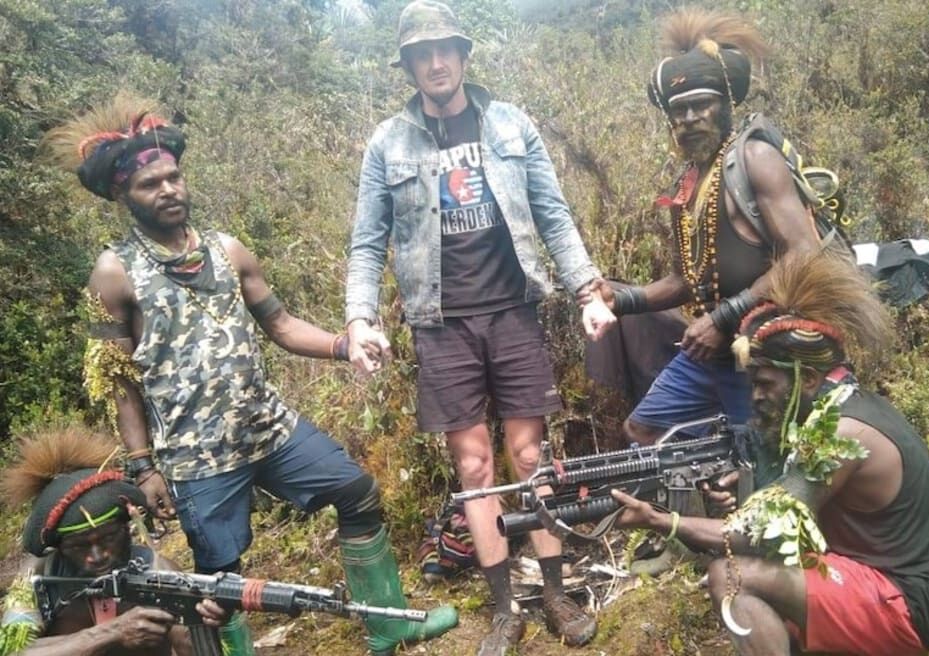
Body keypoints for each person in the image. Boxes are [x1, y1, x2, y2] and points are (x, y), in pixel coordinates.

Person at [41, 94, 457, 655]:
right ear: (122, 194)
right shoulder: (113, 274)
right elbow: (119, 383)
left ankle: (389, 626)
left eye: (174, 177)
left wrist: (344, 343)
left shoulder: (227, 249)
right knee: (219, 579)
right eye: (150, 184)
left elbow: (281, 324)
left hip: (268, 428)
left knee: (356, 490)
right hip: (196, 455)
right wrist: (143, 468)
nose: (168, 190)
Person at [344, 2, 615, 654]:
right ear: (408, 65)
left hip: (512, 311)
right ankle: (504, 608)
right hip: (440, 325)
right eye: (421, 54)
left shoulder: (510, 125)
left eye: (445, 50)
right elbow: (365, 243)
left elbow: (553, 214)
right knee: (474, 465)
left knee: (530, 456)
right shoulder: (389, 143)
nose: (435, 63)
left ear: (463, 56)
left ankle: (552, 590)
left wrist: (588, 290)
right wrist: (359, 318)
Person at [612, 250, 929, 656]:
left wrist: (661, 521)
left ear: (807, 378)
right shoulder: (835, 407)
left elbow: (754, 537)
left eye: (764, 384)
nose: (755, 396)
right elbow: (782, 508)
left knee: (733, 576)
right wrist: (742, 488)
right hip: (871, 579)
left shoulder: (839, 432)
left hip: (909, 605)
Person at [594, 8, 820, 445]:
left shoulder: (754, 158)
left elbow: (805, 251)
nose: (690, 118)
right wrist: (620, 301)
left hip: (762, 347)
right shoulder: (688, 184)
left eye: (702, 103)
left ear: (726, 103)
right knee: (644, 430)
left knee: (761, 454)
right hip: (709, 348)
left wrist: (724, 318)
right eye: (679, 110)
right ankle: (711, 479)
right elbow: (685, 280)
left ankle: (736, 480)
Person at [0, 426, 230, 655]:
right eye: (79, 546)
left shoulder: (160, 572)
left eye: (108, 538)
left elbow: (191, 644)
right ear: (59, 547)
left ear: (126, 527)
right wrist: (112, 631)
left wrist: (204, 623)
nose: (98, 555)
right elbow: (13, 652)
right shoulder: (36, 576)